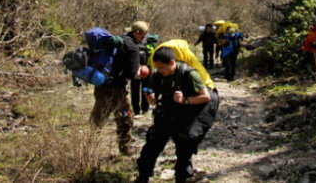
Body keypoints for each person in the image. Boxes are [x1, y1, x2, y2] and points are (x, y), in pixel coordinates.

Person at [133, 46, 219, 183]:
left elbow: (206, 96)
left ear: (172, 63)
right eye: (157, 67)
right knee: (151, 147)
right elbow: (155, 99)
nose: (160, 70)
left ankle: (182, 179)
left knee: (183, 152)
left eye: (162, 67)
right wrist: (151, 99)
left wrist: (185, 100)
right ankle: (142, 177)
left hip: (184, 117)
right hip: (165, 115)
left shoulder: (189, 74)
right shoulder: (158, 75)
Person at [90, 21, 149, 155]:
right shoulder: (133, 47)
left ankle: (88, 146)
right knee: (125, 117)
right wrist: (141, 71)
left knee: (98, 116)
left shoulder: (118, 40)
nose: (144, 37)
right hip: (117, 90)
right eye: (143, 34)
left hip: (101, 84)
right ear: (137, 33)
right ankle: (125, 147)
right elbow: (132, 75)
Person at [131, 30, 159, 116]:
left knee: (137, 89)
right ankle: (143, 109)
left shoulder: (133, 41)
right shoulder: (150, 42)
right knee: (144, 88)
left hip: (138, 68)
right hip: (146, 67)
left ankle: (139, 110)